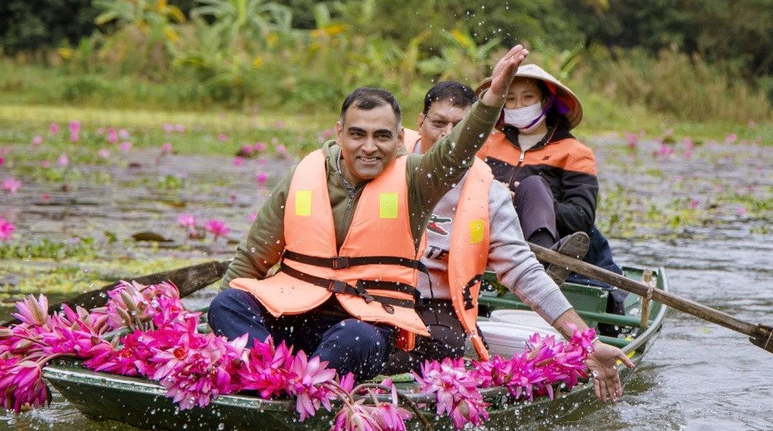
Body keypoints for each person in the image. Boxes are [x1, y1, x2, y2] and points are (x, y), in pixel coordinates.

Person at [207, 45, 530, 382]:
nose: (369, 147)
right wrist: (214, 337)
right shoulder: (305, 174)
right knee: (226, 303)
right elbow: (252, 259)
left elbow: (456, 152)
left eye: (382, 136)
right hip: (292, 313)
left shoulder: (417, 179)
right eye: (358, 134)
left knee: (354, 337)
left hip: (362, 326)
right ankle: (267, 375)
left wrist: (493, 98)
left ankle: (307, 386)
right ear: (339, 132)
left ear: (400, 139)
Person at [393, 80, 633, 401]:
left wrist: (584, 342)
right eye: (438, 123)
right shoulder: (389, 162)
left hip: (537, 239)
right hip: (385, 299)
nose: (448, 135)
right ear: (421, 123)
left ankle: (549, 262)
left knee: (533, 187)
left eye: (527, 98)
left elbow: (576, 219)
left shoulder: (568, 154)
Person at [475, 62, 623, 285]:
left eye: (528, 97)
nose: (518, 105)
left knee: (533, 185)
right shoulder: (487, 145)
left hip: (548, 245)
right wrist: (499, 196)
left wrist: (530, 202)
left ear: (544, 102)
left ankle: (542, 263)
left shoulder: (575, 153)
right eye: (511, 99)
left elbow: (581, 218)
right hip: (491, 237)